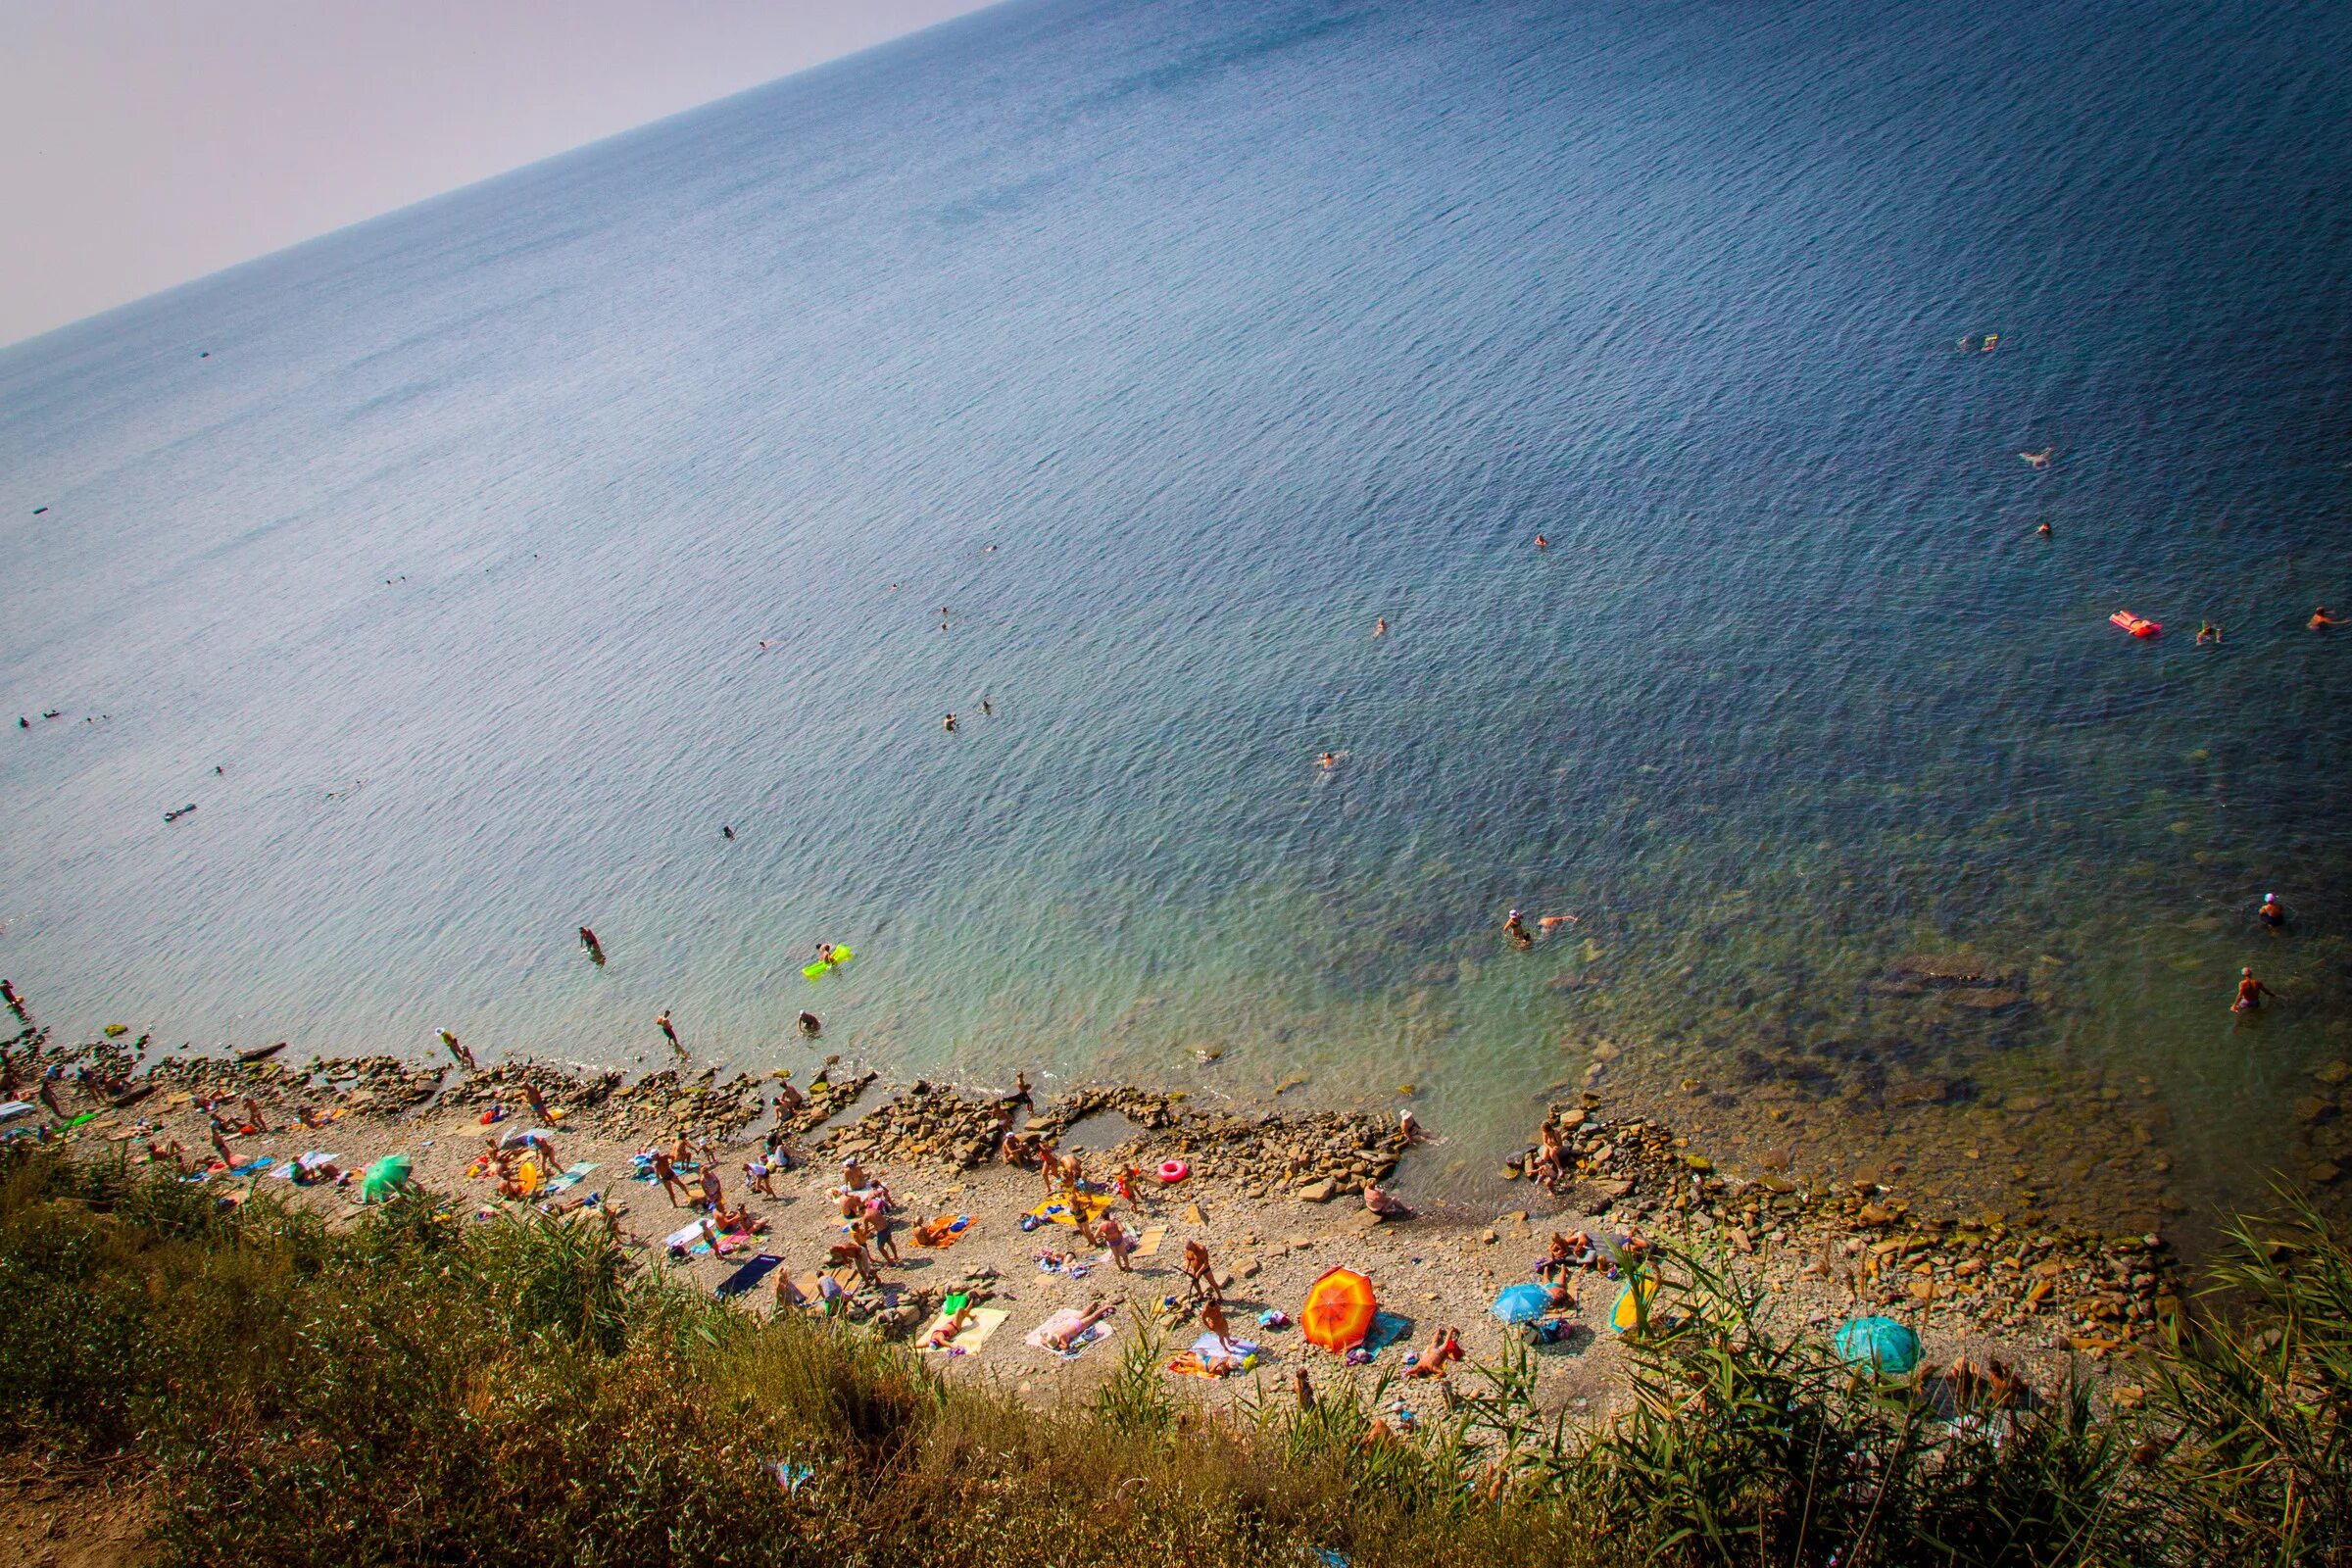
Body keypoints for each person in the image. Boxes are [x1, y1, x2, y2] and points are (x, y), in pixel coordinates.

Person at [1043, 1299, 1116, 1351]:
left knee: (1093, 1317)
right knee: (1083, 1313)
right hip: (1070, 1322)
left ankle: (1105, 1308)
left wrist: (1060, 1346)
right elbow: (1044, 1339)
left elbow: (1065, 1347)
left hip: (1077, 1326)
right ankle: (1092, 1305)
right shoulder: (1055, 1332)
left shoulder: (1062, 1339)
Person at [1182, 1239, 1219, 1303]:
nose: (1190, 1250)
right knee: (1195, 1283)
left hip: (1204, 1269)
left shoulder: (1201, 1249)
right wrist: (1187, 1268)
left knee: (1212, 1282)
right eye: (1188, 1249)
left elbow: (1206, 1263)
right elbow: (1188, 1259)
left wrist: (1199, 1272)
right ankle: (1201, 1295)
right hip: (1194, 1269)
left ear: (1193, 1244)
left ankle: (1220, 1296)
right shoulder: (1188, 1251)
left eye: (1191, 1248)